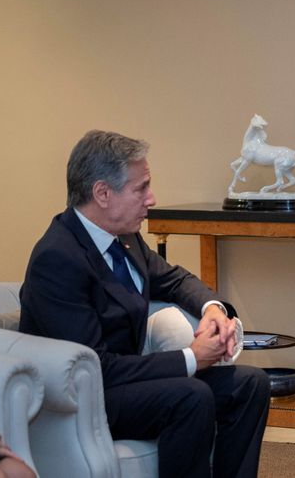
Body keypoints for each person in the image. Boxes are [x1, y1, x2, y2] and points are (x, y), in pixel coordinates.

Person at [19, 130, 270, 478]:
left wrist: (214, 309)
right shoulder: (58, 259)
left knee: (250, 385)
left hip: (128, 384)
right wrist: (192, 358)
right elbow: (96, 367)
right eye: (141, 188)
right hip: (86, 396)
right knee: (190, 396)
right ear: (102, 193)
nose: (151, 199)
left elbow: (175, 279)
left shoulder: (124, 237)